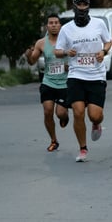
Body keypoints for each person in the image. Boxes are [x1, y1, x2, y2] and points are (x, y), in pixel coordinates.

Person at [54, 0, 111, 162]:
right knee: (78, 112)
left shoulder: (99, 24)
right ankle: (83, 148)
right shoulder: (66, 29)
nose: (81, 8)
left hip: (96, 75)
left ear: (88, 7)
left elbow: (108, 42)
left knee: (94, 114)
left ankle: (96, 123)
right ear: (74, 7)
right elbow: (57, 51)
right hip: (76, 75)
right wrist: (65, 52)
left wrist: (103, 51)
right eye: (78, 5)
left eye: (84, 5)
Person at [25, 13, 69, 152]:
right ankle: (54, 140)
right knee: (47, 111)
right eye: (51, 23)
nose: (54, 25)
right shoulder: (41, 43)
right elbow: (32, 61)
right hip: (48, 81)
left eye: (56, 23)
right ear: (47, 26)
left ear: (60, 25)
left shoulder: (67, 41)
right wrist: (28, 55)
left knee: (60, 113)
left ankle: (65, 117)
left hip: (64, 83)